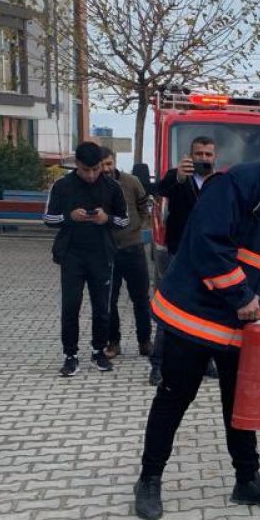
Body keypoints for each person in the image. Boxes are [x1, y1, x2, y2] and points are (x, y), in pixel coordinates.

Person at [133, 122, 260, 520]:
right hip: (194, 316)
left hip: (241, 324)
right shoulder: (239, 184)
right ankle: (149, 480)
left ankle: (246, 481)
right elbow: (207, 243)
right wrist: (242, 296)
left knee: (239, 404)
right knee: (174, 398)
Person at [43, 142, 129, 377]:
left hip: (101, 253)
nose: (91, 175)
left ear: (102, 165)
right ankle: (70, 355)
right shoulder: (62, 185)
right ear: (76, 165)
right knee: (70, 306)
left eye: (96, 169)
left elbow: (125, 220)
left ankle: (99, 350)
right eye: (85, 170)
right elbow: (49, 219)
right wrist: (69, 217)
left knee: (102, 307)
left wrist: (107, 218)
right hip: (71, 253)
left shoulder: (112, 186)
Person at [147, 136, 220, 386]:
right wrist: (178, 176)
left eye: (208, 154)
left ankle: (206, 361)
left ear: (215, 157)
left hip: (209, 256)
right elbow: (159, 190)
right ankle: (158, 365)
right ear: (190, 155)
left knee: (207, 310)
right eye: (198, 154)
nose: (203, 159)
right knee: (170, 309)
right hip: (179, 254)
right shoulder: (177, 178)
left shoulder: (219, 182)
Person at [101, 147, 153, 361]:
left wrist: (137, 227)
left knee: (140, 298)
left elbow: (144, 207)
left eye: (109, 163)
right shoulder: (95, 186)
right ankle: (113, 342)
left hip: (133, 248)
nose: (106, 169)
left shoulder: (131, 182)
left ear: (115, 162)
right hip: (107, 251)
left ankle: (144, 341)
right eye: (102, 164)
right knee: (108, 300)